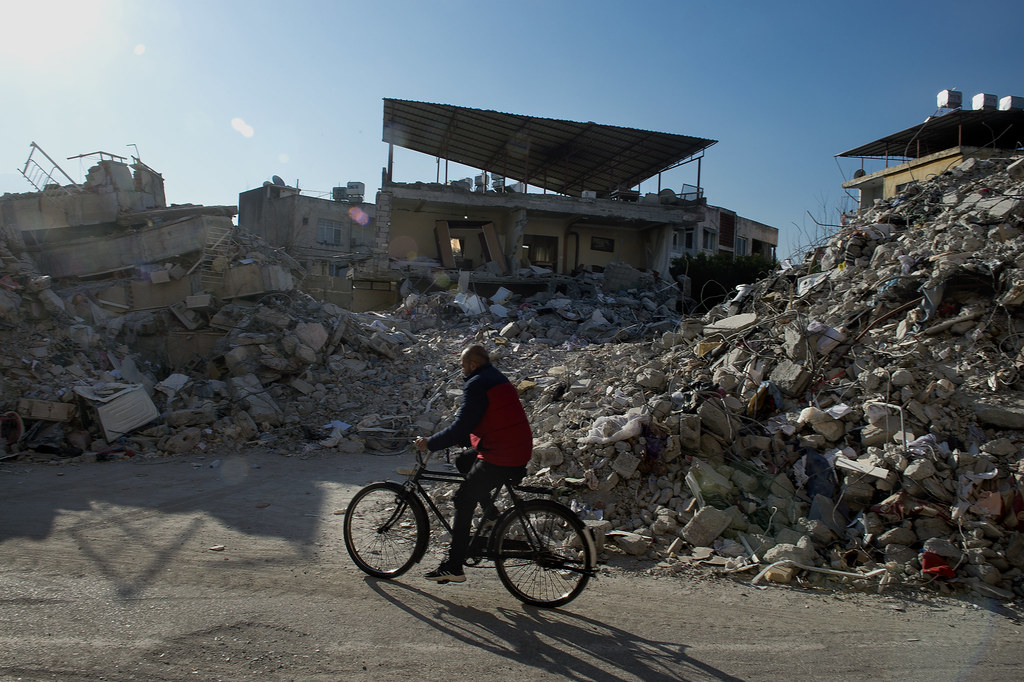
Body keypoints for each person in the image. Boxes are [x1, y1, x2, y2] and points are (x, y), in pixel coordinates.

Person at [415, 344, 533, 583]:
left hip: (502, 454)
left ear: (473, 364)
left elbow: (461, 426)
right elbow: (489, 419)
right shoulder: (496, 377)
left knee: (462, 498)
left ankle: (454, 565)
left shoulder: (476, 384)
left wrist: (430, 443)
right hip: (515, 447)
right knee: (463, 461)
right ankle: (490, 514)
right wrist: (466, 440)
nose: (461, 369)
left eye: (462, 365)